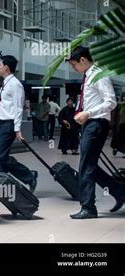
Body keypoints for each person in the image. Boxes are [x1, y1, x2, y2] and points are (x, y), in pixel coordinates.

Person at [67, 46, 117, 219]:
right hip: (90, 123)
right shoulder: (88, 76)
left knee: (85, 166)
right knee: (91, 166)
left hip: (96, 124)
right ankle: (120, 193)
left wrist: (88, 113)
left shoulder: (98, 75)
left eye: (74, 65)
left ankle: (88, 207)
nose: (73, 68)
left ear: (83, 60)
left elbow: (111, 102)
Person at [0, 55, 38, 192]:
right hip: (1, 123)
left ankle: (28, 175)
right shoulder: (5, 83)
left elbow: (18, 108)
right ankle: (2, 185)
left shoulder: (15, 85)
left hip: (9, 124)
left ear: (6, 67)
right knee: (0, 157)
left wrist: (17, 129)